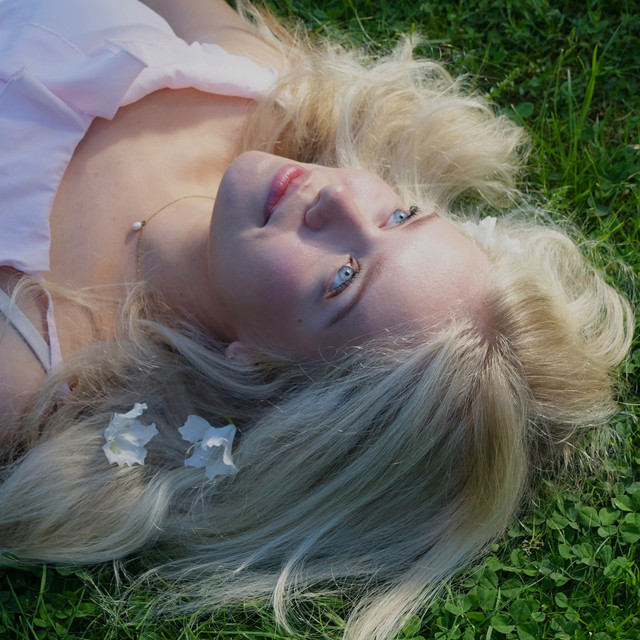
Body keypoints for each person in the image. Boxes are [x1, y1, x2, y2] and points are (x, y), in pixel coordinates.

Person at [0, 0, 632, 639]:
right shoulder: (268, 92)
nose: (338, 200)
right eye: (400, 217)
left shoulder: (24, 359)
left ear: (264, 373)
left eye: (343, 279)